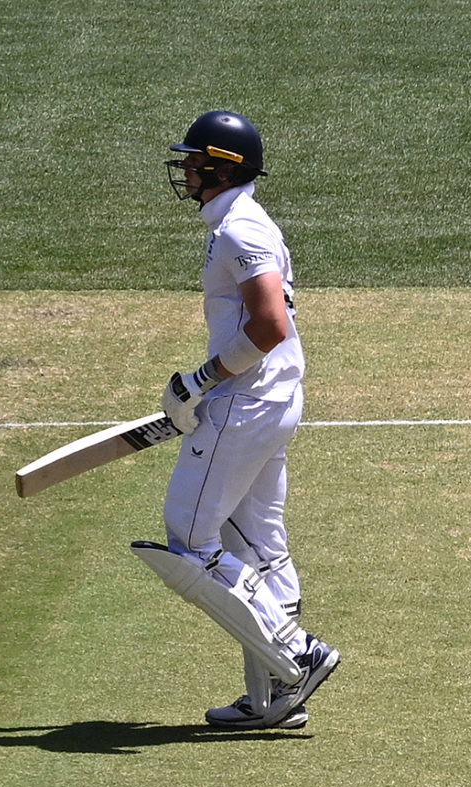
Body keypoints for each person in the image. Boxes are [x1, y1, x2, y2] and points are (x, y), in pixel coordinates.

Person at [135, 110, 340, 728]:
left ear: (224, 166)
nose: (186, 170)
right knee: (258, 549)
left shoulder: (241, 230)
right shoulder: (237, 222)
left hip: (244, 404)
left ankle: (297, 654)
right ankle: (275, 695)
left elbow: (270, 325)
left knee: (189, 543)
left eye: (195, 161)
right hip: (270, 401)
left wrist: (200, 381)